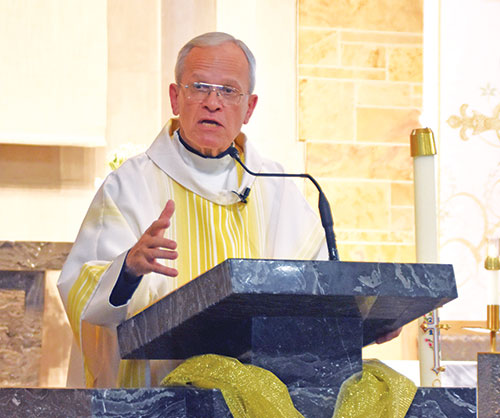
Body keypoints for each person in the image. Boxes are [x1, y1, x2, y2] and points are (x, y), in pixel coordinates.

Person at [57, 32, 328, 388]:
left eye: (228, 91)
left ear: (249, 108)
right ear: (175, 97)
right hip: (159, 392)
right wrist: (127, 271)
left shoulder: (278, 189)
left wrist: (366, 316)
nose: (212, 103)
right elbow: (83, 290)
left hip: (263, 388)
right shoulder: (131, 185)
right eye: (199, 87)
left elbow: (319, 284)